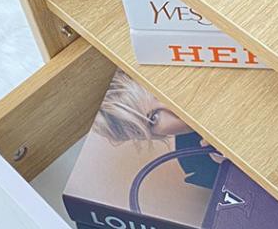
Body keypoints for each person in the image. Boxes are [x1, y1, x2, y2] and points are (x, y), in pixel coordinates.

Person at [93, 70, 224, 189]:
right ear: (151, 135)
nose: (172, 105)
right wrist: (229, 166)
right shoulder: (199, 164)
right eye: (154, 118)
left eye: (160, 91)